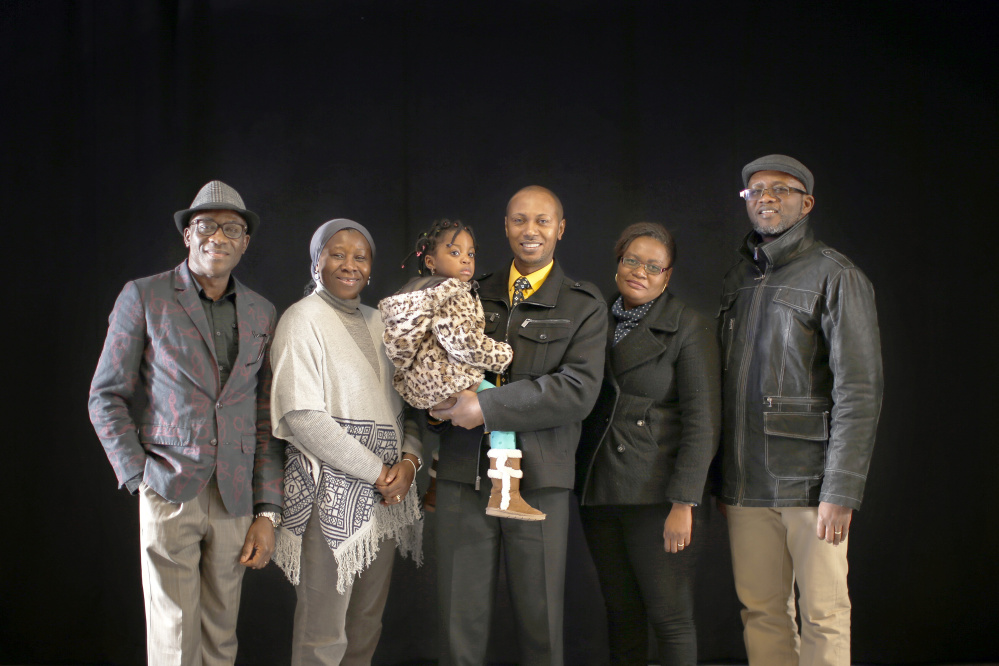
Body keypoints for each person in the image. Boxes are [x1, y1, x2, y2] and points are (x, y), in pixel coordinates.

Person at [88, 180, 284, 666]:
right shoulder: (144, 296)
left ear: (245, 242)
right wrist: (138, 476)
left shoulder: (262, 311)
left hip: (236, 493)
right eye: (206, 225)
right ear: (187, 235)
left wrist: (267, 508)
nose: (218, 236)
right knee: (174, 635)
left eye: (231, 228)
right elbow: (106, 395)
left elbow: (266, 415)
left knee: (221, 634)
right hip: (168, 484)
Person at [716, 155, 883, 665]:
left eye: (781, 189)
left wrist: (842, 489)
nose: (766, 197)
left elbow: (860, 388)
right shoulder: (738, 279)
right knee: (761, 611)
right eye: (755, 189)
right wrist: (724, 478)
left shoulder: (837, 275)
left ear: (806, 203)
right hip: (745, 485)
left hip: (811, 486)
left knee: (825, 613)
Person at [431, 186, 607, 665]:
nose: (530, 231)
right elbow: (430, 359)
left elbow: (577, 391)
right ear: (505, 226)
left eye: (542, 221)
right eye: (519, 220)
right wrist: (433, 400)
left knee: (541, 620)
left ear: (561, 228)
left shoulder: (583, 305)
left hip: (538, 477)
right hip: (465, 473)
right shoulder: (467, 291)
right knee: (457, 620)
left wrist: (487, 408)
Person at [269, 218, 423, 666]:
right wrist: (379, 473)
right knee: (324, 634)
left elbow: (412, 403)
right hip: (328, 496)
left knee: (365, 625)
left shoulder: (384, 324)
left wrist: (410, 464)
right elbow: (302, 418)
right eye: (337, 253)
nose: (349, 264)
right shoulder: (301, 320)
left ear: (371, 268)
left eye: (360, 256)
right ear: (317, 260)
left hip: (387, 498)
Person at [577, 222, 721, 665]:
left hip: (659, 497)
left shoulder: (688, 326)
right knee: (621, 613)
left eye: (653, 266)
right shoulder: (595, 320)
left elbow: (704, 423)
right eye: (631, 260)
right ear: (618, 263)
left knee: (670, 617)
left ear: (668, 276)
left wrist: (684, 503)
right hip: (600, 490)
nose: (640, 272)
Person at [379, 218, 544, 520]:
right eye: (454, 253)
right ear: (430, 260)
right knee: (500, 410)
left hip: (421, 385)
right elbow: (462, 341)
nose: (465, 260)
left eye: (470, 254)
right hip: (449, 379)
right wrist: (502, 354)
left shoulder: (413, 296)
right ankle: (506, 494)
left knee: (460, 426)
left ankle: (434, 486)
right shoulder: (452, 292)